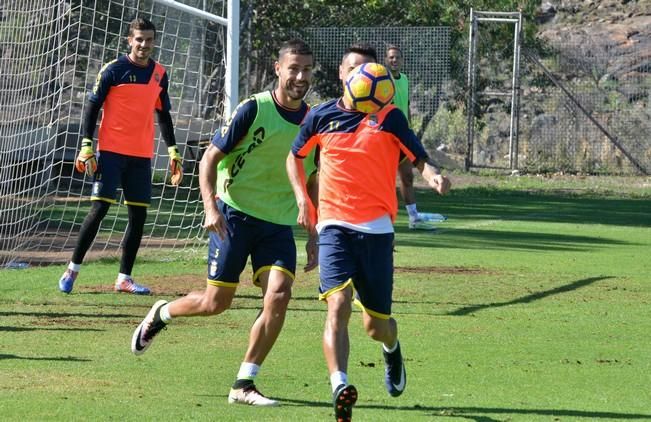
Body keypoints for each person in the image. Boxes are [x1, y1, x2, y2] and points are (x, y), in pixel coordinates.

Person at [131, 39, 318, 407]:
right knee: (216, 303)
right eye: (293, 68)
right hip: (233, 217)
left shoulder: (313, 124)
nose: (300, 76)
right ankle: (162, 312)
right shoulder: (253, 109)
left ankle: (244, 383)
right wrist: (210, 208)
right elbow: (209, 159)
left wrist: (314, 233)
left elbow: (311, 179)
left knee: (279, 294)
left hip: (277, 225)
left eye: (307, 69)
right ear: (277, 68)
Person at [286, 43, 451, 422]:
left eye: (372, 69)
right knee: (338, 305)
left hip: (377, 230)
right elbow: (294, 156)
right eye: (358, 69)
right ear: (344, 76)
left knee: (376, 326)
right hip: (333, 225)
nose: (368, 75)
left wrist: (434, 176)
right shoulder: (320, 117)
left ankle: (392, 349)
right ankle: (340, 386)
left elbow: (417, 155)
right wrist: (301, 198)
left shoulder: (390, 117)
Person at [58, 17, 183, 295]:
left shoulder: (160, 73)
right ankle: (72, 269)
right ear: (130, 40)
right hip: (111, 152)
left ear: (154, 41)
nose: (144, 44)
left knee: (138, 216)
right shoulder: (113, 70)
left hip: (141, 156)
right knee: (100, 208)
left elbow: (163, 114)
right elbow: (92, 107)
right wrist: (87, 145)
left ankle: (124, 278)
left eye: (149, 39)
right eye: (139, 39)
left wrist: (173, 150)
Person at [385, 45, 446, 230]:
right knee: (385, 180)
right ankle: (382, 219)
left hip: (404, 134)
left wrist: (409, 128)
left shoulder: (404, 79)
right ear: (386, 60)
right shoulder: (382, 80)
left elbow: (407, 104)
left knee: (407, 176)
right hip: (387, 136)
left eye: (397, 57)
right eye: (391, 58)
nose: (394, 60)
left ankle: (413, 217)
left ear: (402, 60)